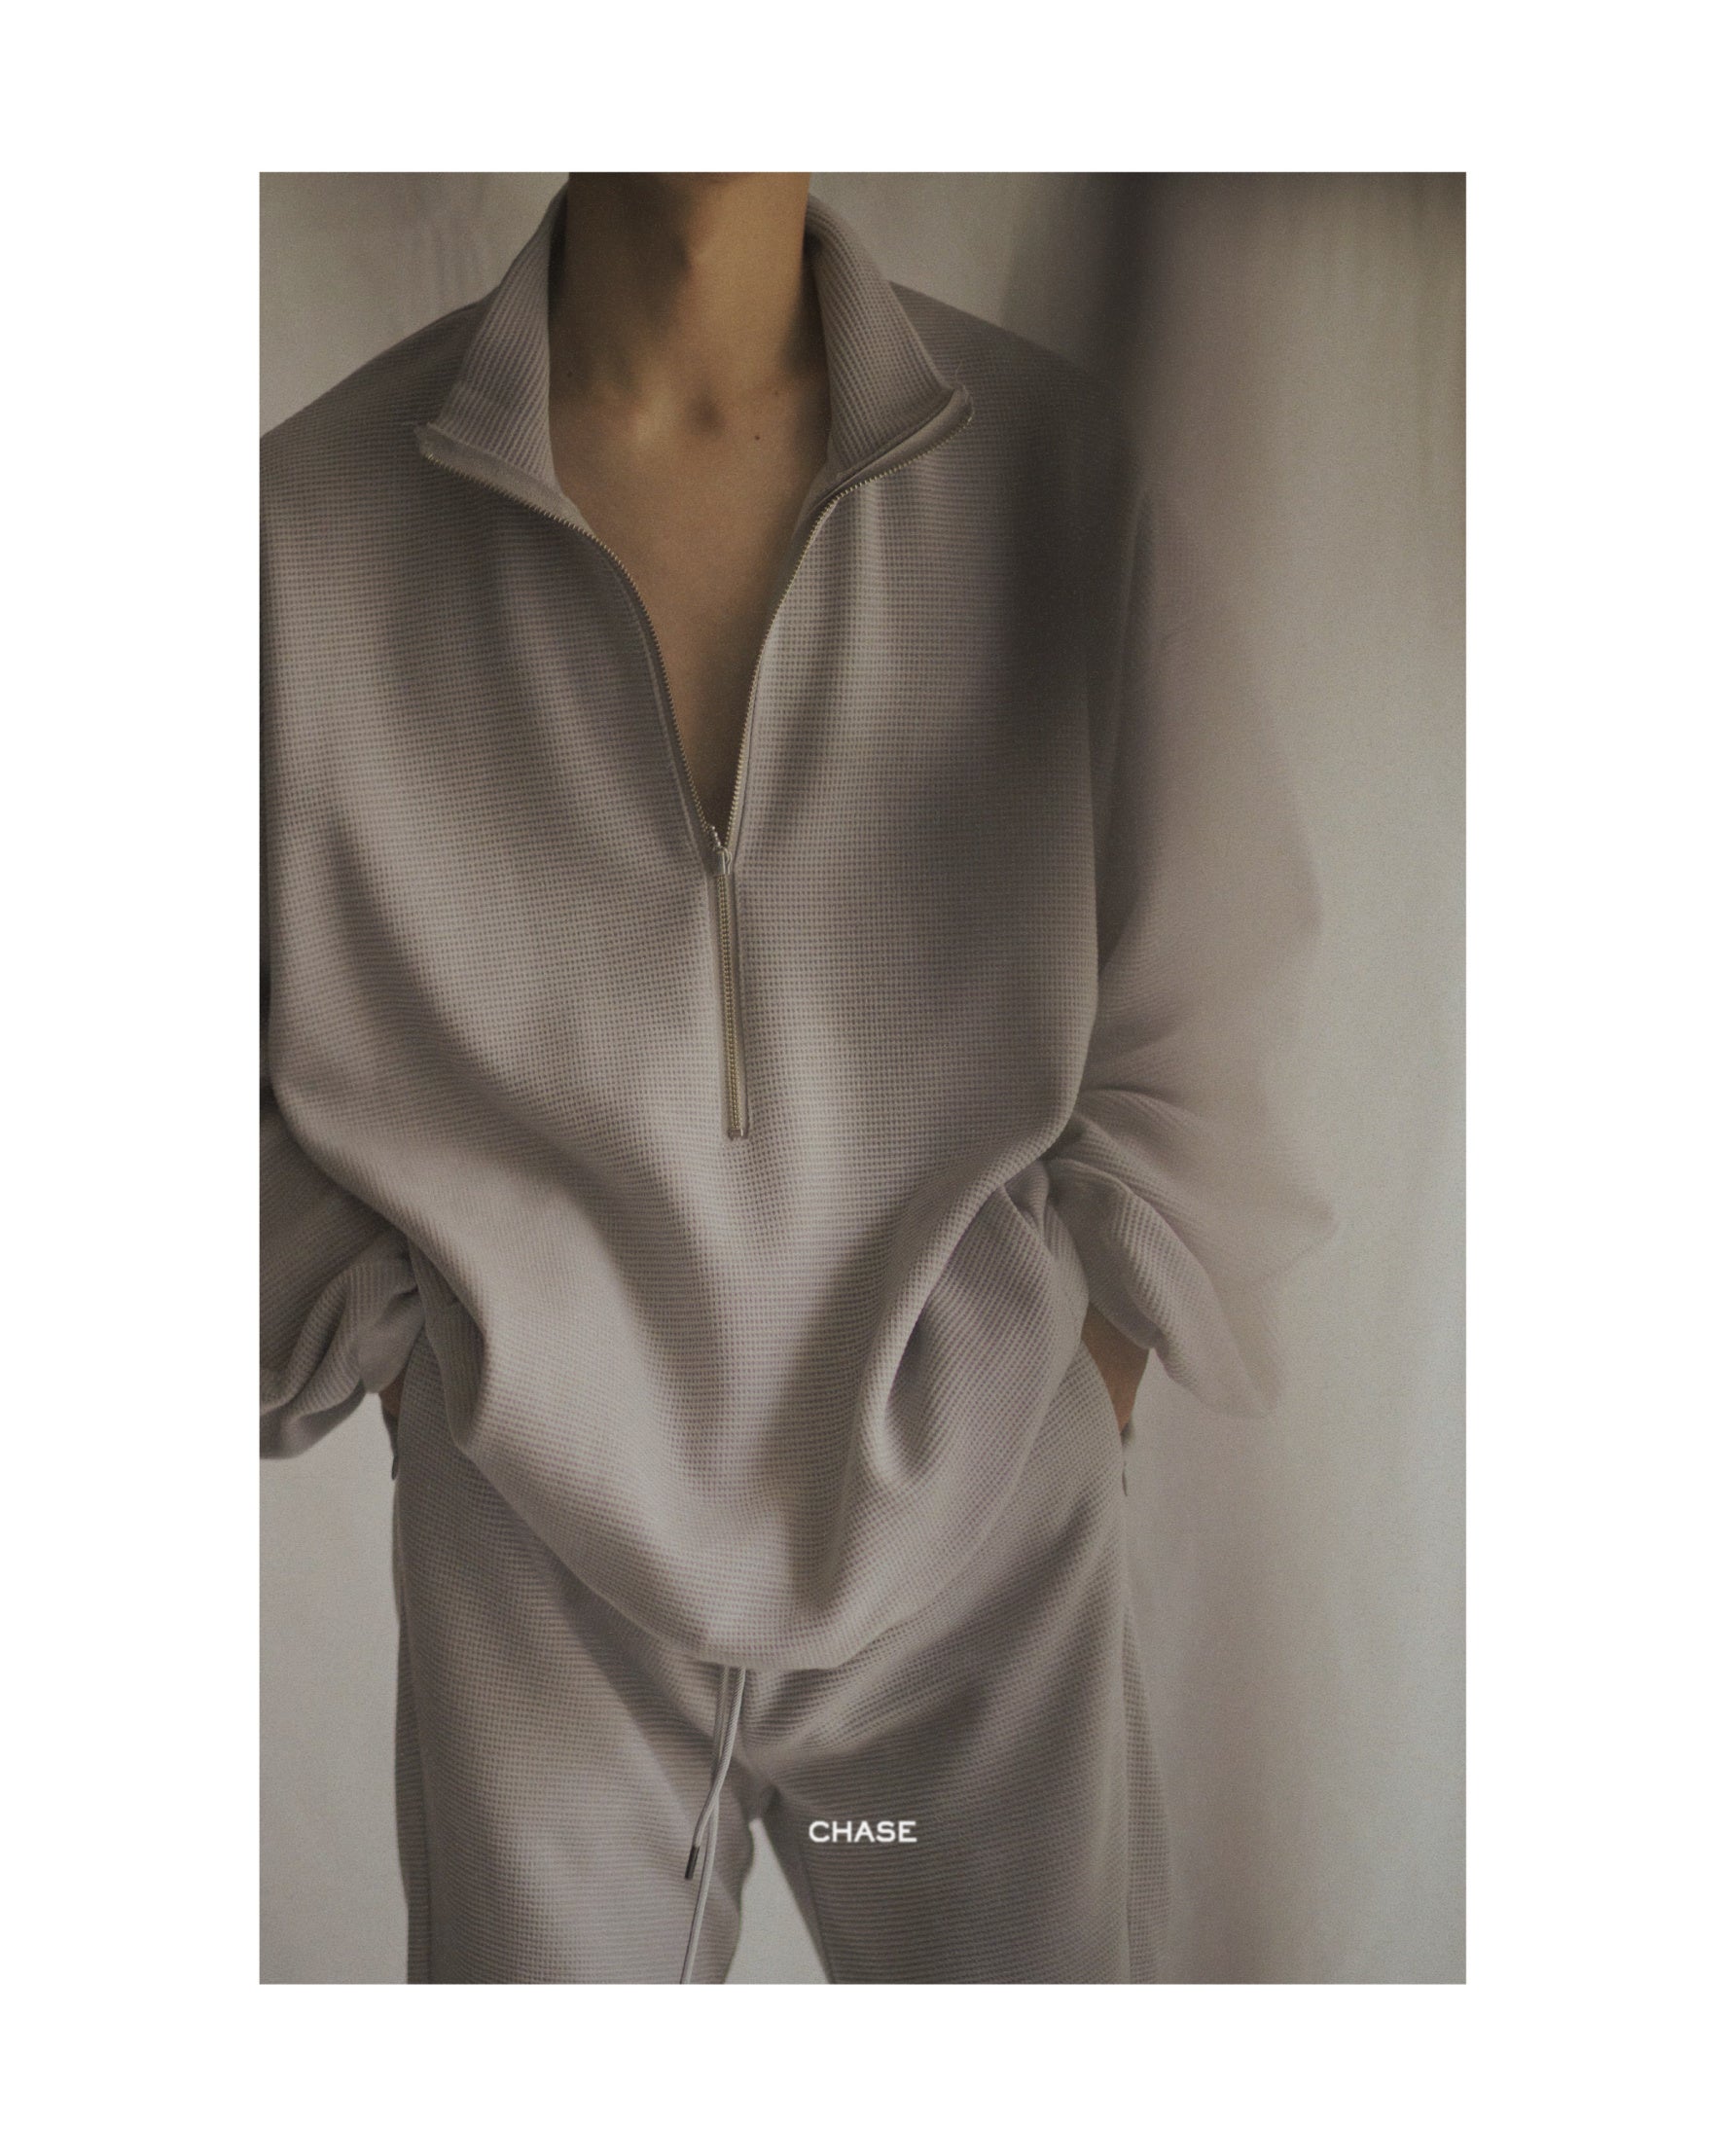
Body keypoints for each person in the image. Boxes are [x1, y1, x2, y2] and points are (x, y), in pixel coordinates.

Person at [261, 172, 1329, 1983]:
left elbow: (1207, 969)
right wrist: (407, 1348)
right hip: (537, 1565)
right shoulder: (303, 529)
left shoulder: (1046, 470)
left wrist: (1077, 1361)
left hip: (978, 1549)